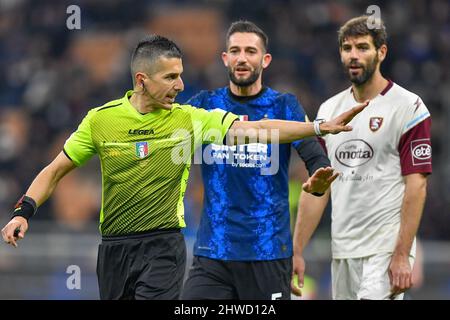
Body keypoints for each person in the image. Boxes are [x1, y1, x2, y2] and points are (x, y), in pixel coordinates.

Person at [1, 34, 366, 300]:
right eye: (171, 77)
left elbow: (255, 129)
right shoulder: (101, 121)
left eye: (181, 74)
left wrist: (318, 127)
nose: (182, 84)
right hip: (113, 248)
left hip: (164, 245)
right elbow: (56, 169)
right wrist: (24, 212)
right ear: (142, 80)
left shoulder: (190, 119)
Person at [181, 20, 334, 300]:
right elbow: (167, 137)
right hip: (213, 254)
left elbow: (316, 159)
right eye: (235, 51)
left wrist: (319, 180)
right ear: (225, 58)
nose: (242, 58)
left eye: (250, 51)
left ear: (265, 60)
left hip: (268, 254)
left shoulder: (284, 106)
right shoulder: (204, 104)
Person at [292, 15, 432, 300]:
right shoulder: (329, 111)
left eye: (362, 47)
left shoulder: (409, 107)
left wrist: (402, 254)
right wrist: (296, 250)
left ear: (381, 52)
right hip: (343, 250)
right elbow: (317, 186)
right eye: (347, 48)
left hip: (385, 248)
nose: (353, 55)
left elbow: (417, 186)